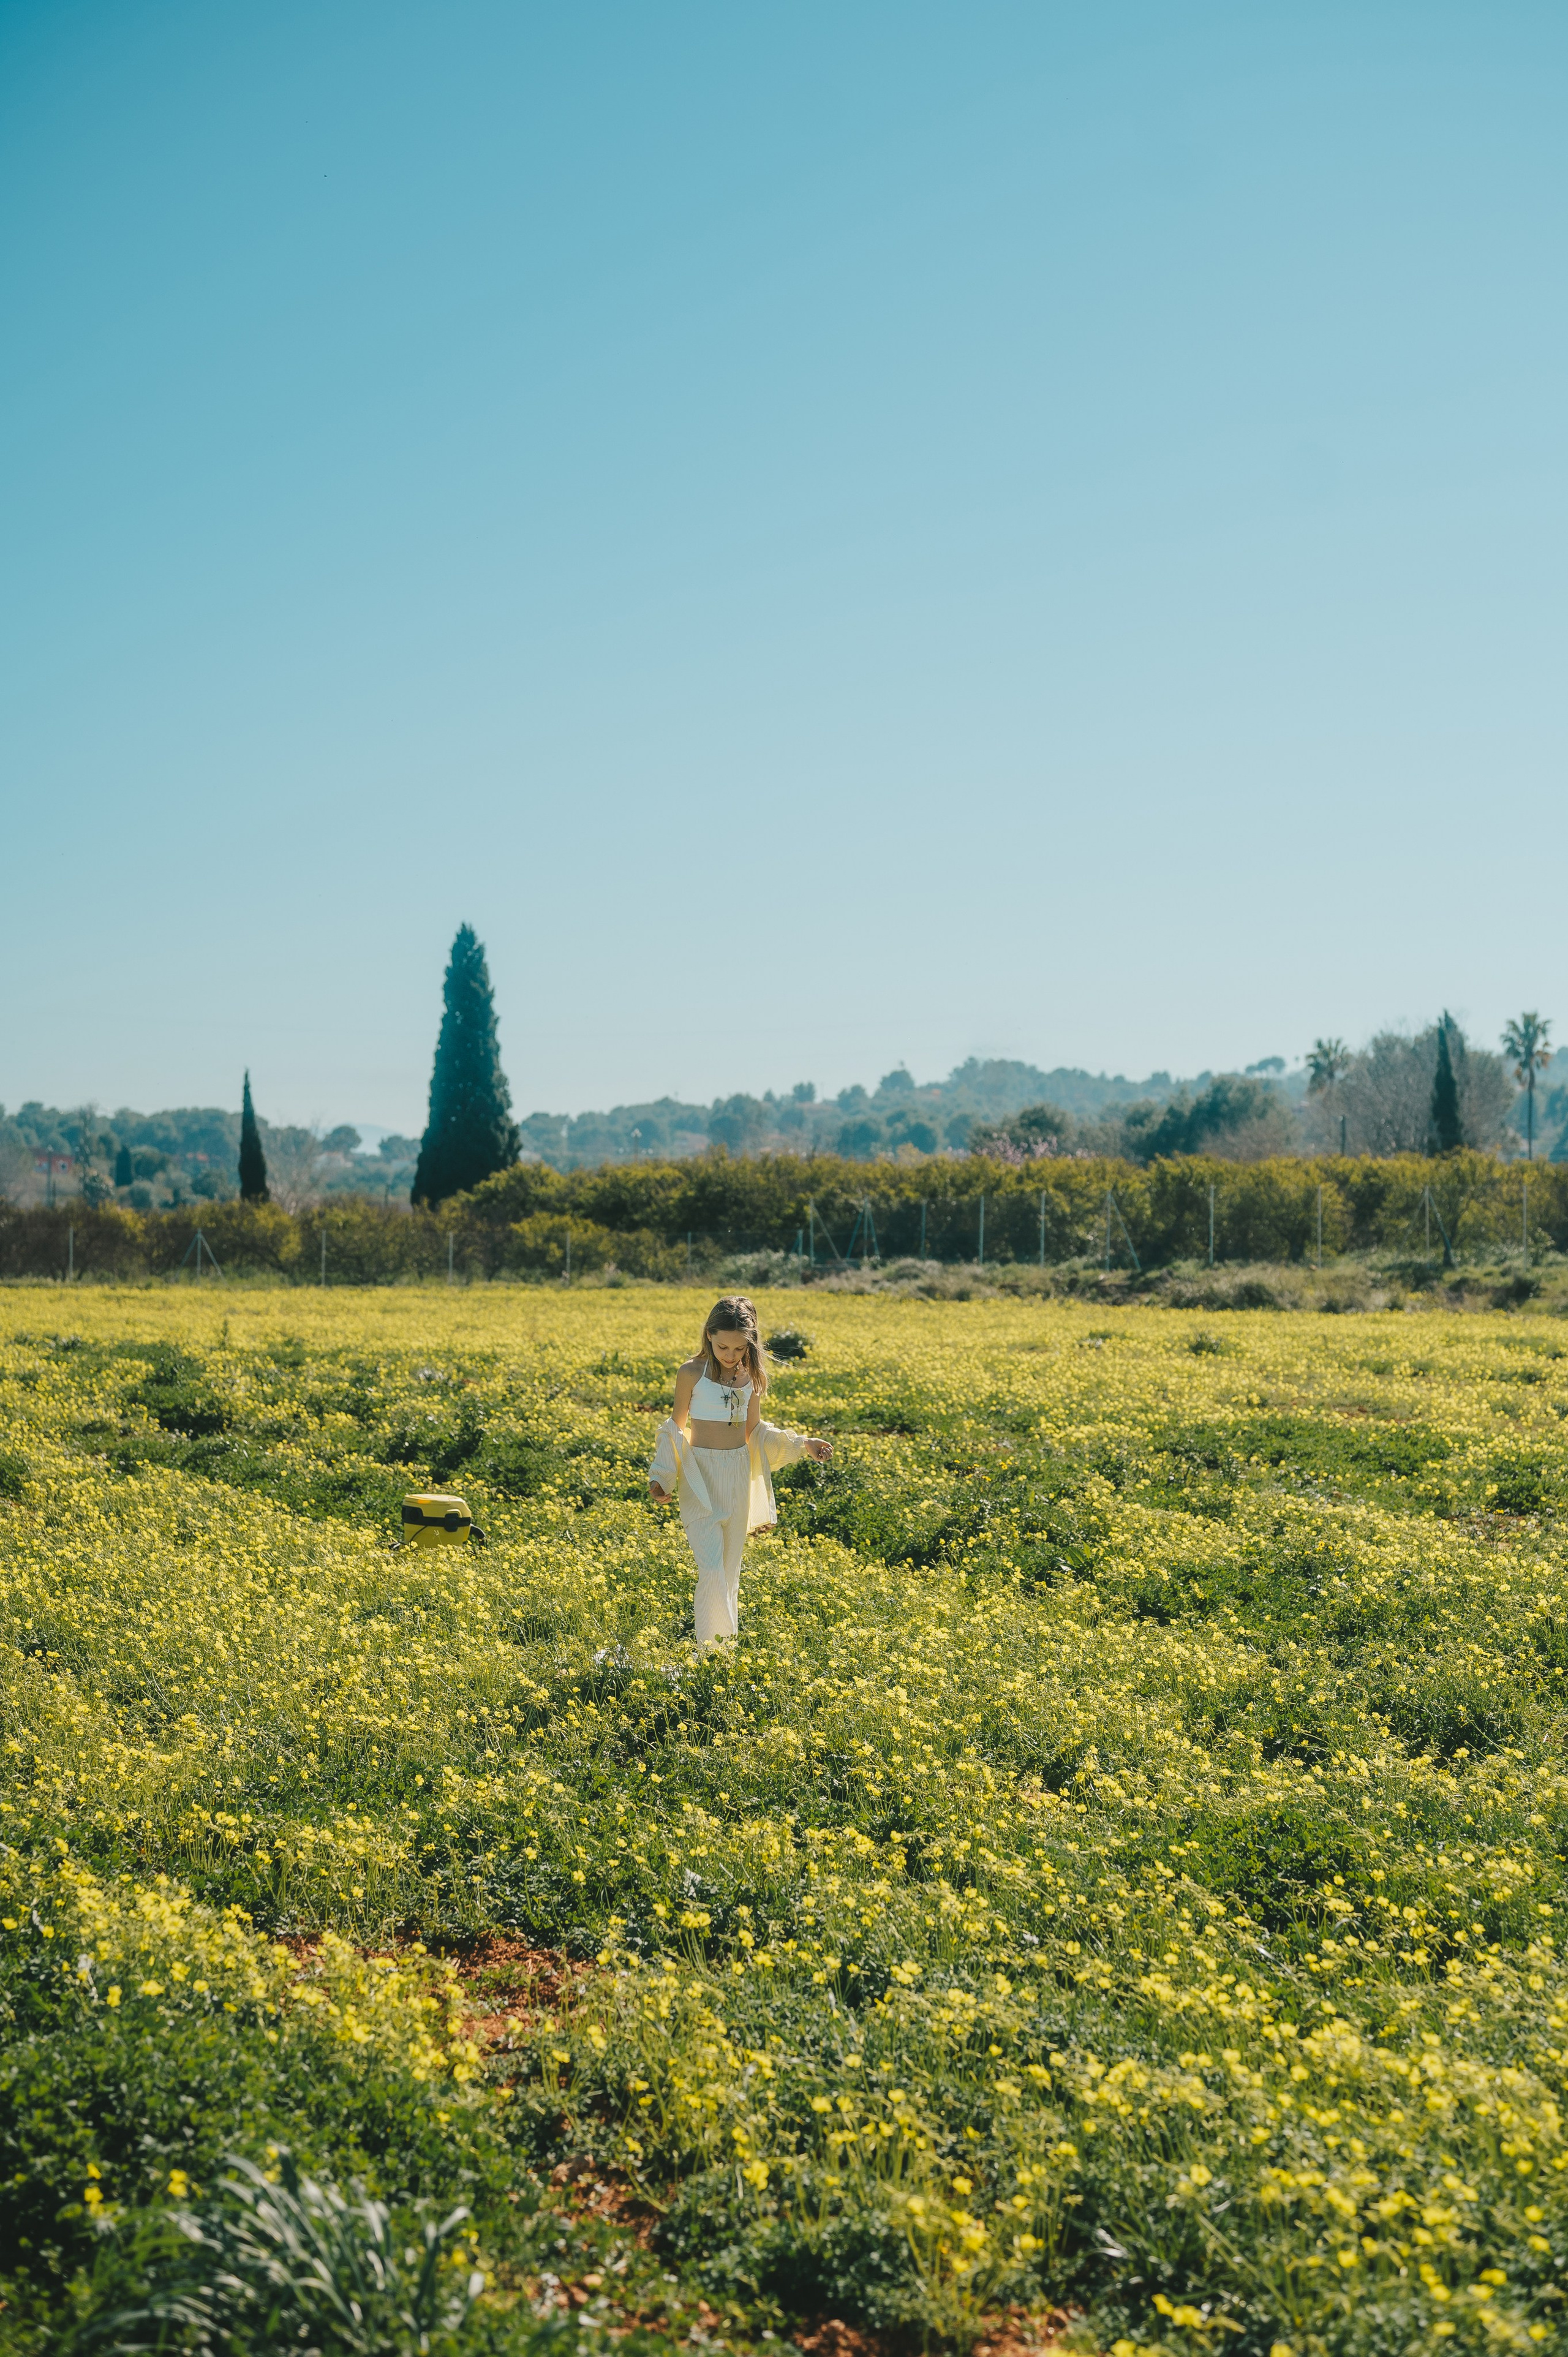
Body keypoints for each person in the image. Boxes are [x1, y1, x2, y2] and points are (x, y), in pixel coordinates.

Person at [648, 1294, 832, 1645]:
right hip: (699, 1475)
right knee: (712, 1568)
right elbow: (675, 1427)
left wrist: (802, 1444)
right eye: (722, 1347)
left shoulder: (751, 1376)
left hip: (737, 1475)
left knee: (729, 1571)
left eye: (738, 1349)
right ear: (709, 1336)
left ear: (751, 1343)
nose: (730, 1356)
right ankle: (710, 1652)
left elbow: (755, 1433)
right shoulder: (690, 1373)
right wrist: (662, 1476)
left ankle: (720, 1657)